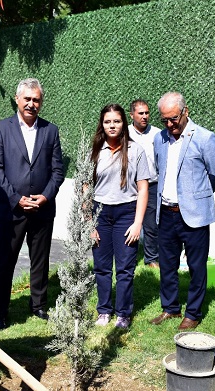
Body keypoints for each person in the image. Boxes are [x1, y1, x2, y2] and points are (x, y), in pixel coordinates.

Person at [0, 78, 64, 329]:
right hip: (12, 209)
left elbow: (57, 171)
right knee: (5, 260)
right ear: (17, 99)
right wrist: (15, 198)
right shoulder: (1, 129)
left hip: (42, 208)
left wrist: (46, 196)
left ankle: (39, 305)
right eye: (27, 99)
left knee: (40, 260)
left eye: (36, 100)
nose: (32, 104)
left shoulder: (50, 130)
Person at [149, 92, 215, 330]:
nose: (170, 125)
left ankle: (193, 313)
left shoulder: (204, 138)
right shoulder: (160, 139)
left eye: (174, 119)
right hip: (166, 212)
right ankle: (170, 308)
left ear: (185, 112)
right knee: (167, 264)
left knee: (196, 267)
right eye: (165, 120)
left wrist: (196, 197)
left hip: (194, 214)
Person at [90, 104, 150, 329]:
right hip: (100, 214)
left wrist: (138, 223)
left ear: (124, 123)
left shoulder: (136, 151)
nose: (112, 125)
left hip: (127, 213)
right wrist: (89, 223)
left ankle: (123, 313)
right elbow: (86, 188)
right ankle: (104, 310)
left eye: (116, 121)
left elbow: (143, 188)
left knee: (125, 268)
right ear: (102, 125)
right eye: (107, 122)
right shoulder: (95, 151)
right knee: (102, 267)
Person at [128, 99, 161, 268]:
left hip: (152, 185)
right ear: (131, 115)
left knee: (151, 225)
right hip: (128, 186)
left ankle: (151, 259)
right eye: (141, 113)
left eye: (147, 113)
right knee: (127, 222)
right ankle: (128, 257)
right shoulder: (124, 134)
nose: (145, 116)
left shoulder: (158, 134)